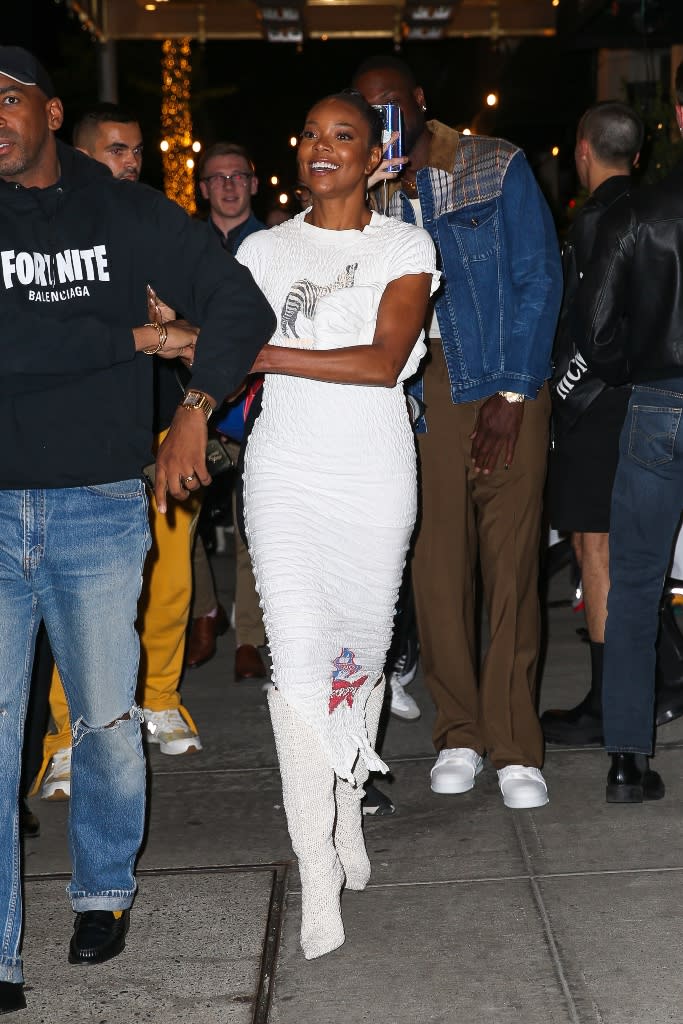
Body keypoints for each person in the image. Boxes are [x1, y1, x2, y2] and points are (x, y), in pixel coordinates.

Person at [0, 46, 273, 1014]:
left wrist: (197, 398)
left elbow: (239, 303)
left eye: (6, 97)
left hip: (98, 505)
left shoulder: (119, 210)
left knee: (110, 721)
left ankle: (103, 890)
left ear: (49, 110)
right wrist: (130, 337)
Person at [231, 89, 438, 958]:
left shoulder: (405, 244)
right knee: (297, 658)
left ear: (374, 156)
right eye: (310, 133)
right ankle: (314, 868)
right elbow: (218, 343)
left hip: (371, 473)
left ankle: (347, 803)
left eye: (342, 135)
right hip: (284, 471)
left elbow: (385, 361)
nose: (322, 147)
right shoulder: (260, 249)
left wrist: (264, 351)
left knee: (354, 652)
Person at [354, 55, 563, 809]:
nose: (382, 120)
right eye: (366, 108)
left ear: (418, 100)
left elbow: (538, 276)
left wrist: (514, 390)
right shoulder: (364, 188)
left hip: (505, 375)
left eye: (391, 104)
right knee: (437, 568)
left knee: (510, 567)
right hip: (418, 390)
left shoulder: (489, 162)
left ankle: (514, 747)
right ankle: (459, 732)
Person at [35, 104, 209, 805]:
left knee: (166, 578)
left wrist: (172, 318)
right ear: (77, 153)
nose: (130, 162)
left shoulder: (155, 222)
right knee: (75, 595)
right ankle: (66, 738)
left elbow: (207, 322)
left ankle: (160, 697)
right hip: (81, 439)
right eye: (115, 149)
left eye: (136, 150)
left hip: (162, 428)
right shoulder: (47, 227)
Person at [572, 62, 683, 804]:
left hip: (656, 404)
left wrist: (639, 366)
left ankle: (624, 761)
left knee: (636, 587)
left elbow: (597, 335)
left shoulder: (636, 214)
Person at [541, 101, 642, 746]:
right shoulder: (656, 209)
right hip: (648, 397)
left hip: (600, 402)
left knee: (596, 548)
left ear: (584, 150)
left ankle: (611, 702)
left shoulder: (597, 222)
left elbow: (594, 328)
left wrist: (561, 393)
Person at [193, 142, 269, 681]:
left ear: (253, 183)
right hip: (195, 399)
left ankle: (249, 638)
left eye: (237, 176)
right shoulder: (187, 244)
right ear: (203, 188)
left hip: (258, 401)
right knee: (179, 518)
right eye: (216, 178)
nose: (227, 185)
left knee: (254, 524)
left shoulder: (276, 243)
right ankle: (205, 610)